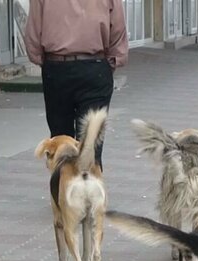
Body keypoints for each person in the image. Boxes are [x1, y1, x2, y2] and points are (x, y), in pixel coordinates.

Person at [24, 0, 128, 169]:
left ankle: (64, 190)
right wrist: (112, 61)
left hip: (57, 66)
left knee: (61, 144)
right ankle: (90, 189)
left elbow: (34, 28)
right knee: (91, 142)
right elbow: (117, 26)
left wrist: (40, 58)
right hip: (95, 66)